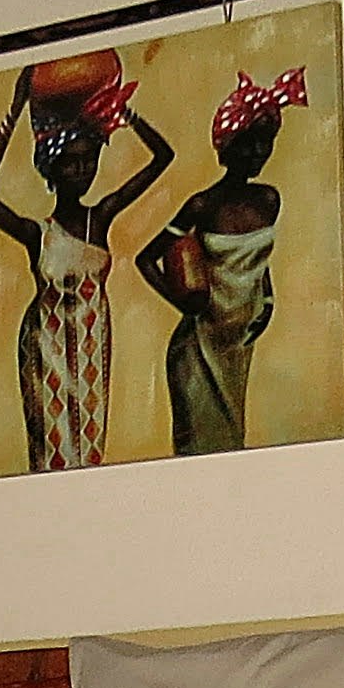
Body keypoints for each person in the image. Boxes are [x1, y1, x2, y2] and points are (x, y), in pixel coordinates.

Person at [0, 54, 174, 472]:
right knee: (49, 452)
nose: (82, 170)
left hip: (91, 345)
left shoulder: (101, 217)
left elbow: (163, 156)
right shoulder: (38, 234)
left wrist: (122, 112)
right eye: (70, 161)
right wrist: (14, 111)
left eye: (89, 159)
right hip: (44, 348)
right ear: (51, 166)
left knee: (90, 448)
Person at [137, 64, 306, 454]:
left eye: (265, 142)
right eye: (248, 143)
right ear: (227, 146)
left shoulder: (269, 200)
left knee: (232, 442)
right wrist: (183, 301)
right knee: (198, 448)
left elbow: (259, 265)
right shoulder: (203, 205)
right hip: (197, 348)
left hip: (237, 345)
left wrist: (267, 302)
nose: (258, 153)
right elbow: (146, 259)